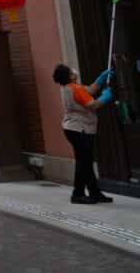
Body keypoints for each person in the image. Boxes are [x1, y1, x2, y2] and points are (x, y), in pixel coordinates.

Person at [52, 64, 115, 205]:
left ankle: (94, 192)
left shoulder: (69, 87)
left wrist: (100, 79)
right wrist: (106, 96)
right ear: (69, 76)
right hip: (80, 130)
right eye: (71, 71)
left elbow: (90, 89)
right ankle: (78, 194)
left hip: (73, 129)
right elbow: (94, 105)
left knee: (85, 161)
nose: (74, 71)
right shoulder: (75, 88)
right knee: (83, 163)